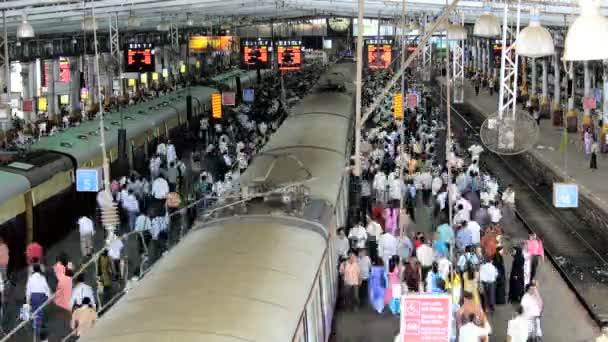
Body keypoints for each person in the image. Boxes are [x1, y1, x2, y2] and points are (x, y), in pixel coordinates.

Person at [26, 264, 50, 330]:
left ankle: (33, 322)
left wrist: (27, 300)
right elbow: (46, 288)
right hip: (41, 296)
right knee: (39, 310)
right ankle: (37, 324)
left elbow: (28, 289)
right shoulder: (42, 278)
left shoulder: (30, 278)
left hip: (33, 297)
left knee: (34, 309)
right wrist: (48, 296)